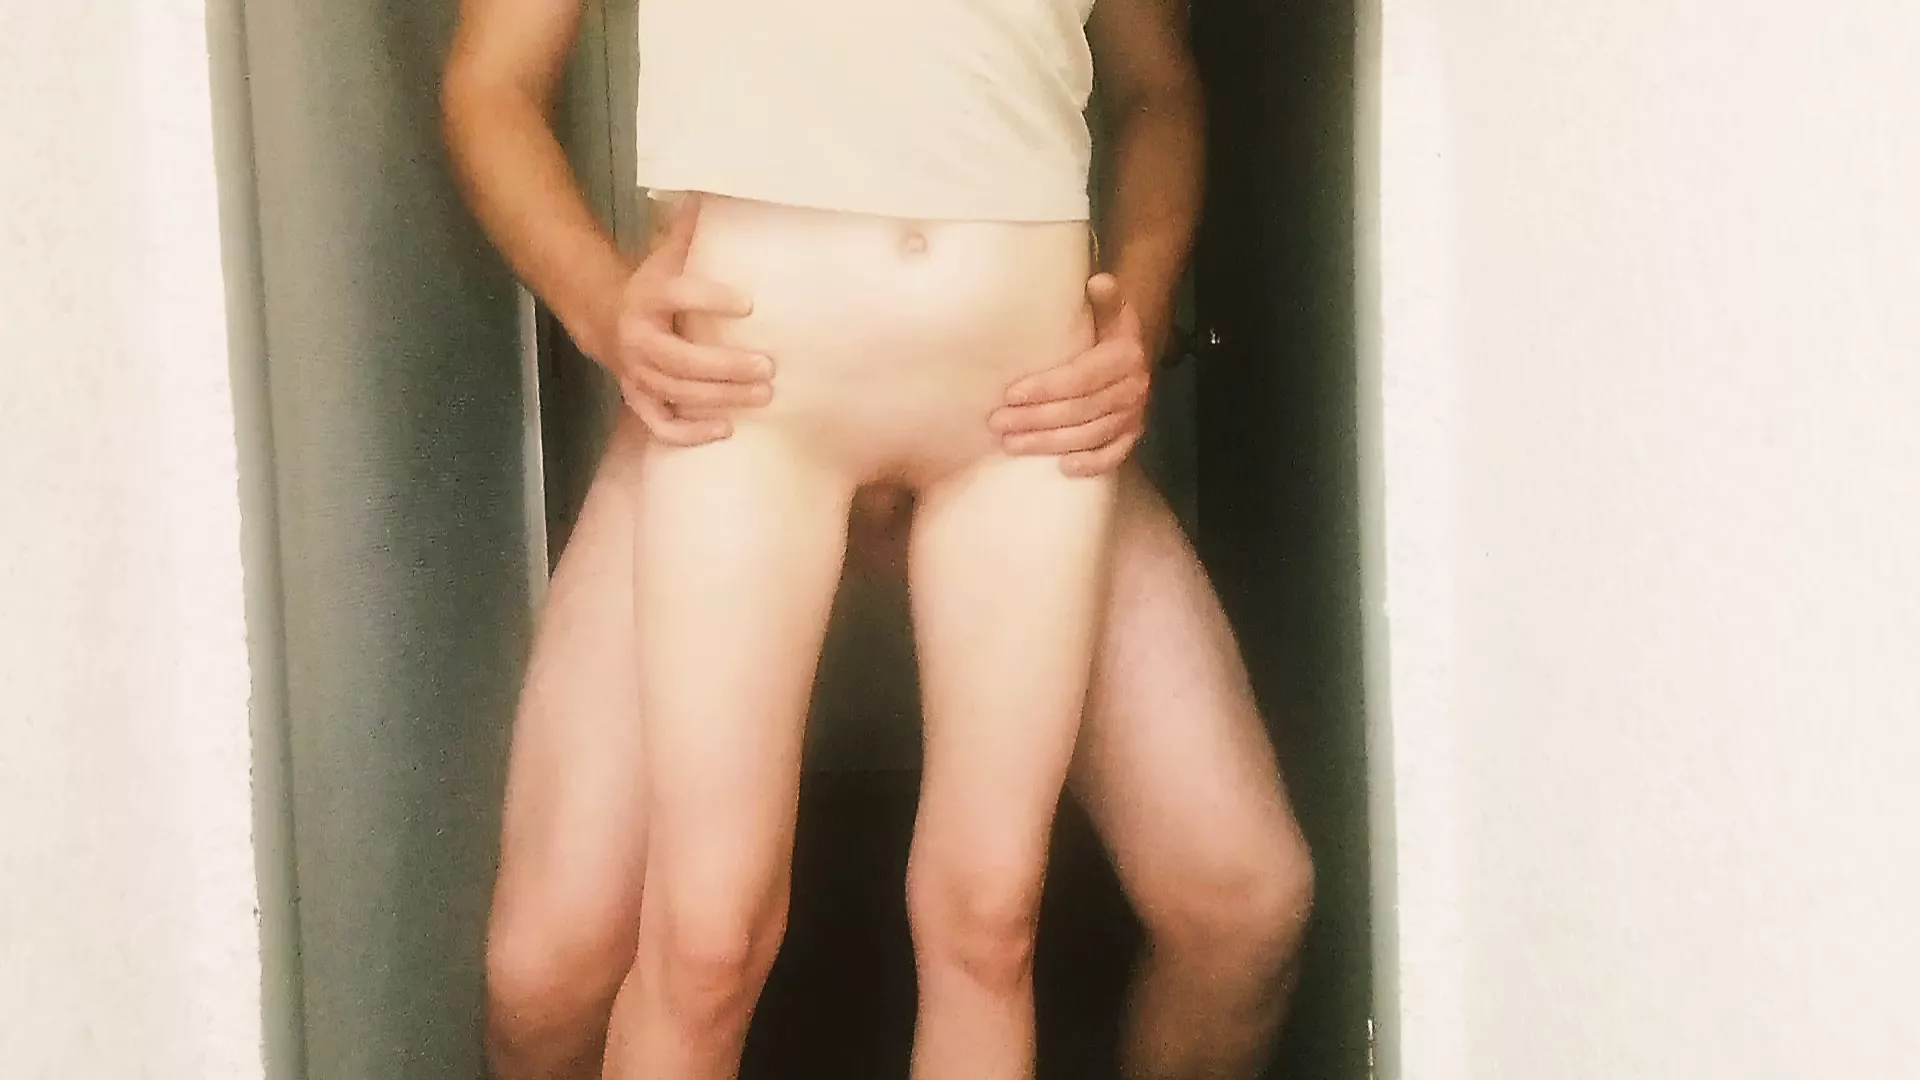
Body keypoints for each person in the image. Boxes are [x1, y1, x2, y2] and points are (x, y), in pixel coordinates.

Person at [442, 0, 1315, 1077]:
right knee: (685, 942)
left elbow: (1159, 85)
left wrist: (1140, 301)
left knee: (1001, 919)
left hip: (1020, 419)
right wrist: (601, 303)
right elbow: (490, 86)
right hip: (748, 407)